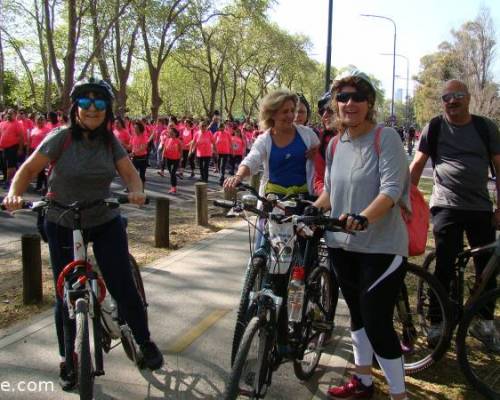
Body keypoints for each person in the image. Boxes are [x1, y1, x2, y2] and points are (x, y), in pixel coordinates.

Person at [1, 77, 163, 390]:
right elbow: (29, 170)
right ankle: (68, 359)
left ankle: (144, 342)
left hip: (103, 219)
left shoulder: (110, 141)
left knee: (121, 285)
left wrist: (137, 191)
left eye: (99, 103)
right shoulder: (60, 138)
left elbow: (129, 173)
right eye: (86, 102)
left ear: (107, 110)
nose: (92, 109)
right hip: (62, 219)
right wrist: (13, 194)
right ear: (76, 108)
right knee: (65, 296)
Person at [312, 71, 409, 400]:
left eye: (357, 97)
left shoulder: (386, 138)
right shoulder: (336, 144)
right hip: (341, 244)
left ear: (369, 104)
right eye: (342, 98)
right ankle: (363, 382)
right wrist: (313, 210)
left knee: (376, 320)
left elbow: (392, 189)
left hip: (381, 247)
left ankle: (399, 394)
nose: (349, 103)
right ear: (335, 105)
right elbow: (331, 192)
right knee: (356, 313)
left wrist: (363, 218)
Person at [224, 89, 319, 355]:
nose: (291, 116)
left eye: (293, 110)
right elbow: (252, 160)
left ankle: (291, 324)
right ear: (272, 114)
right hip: (272, 204)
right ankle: (260, 296)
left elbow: (321, 160)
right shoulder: (265, 139)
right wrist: (238, 177)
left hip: (301, 204)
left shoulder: (308, 136)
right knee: (264, 255)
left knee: (295, 270)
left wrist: (318, 162)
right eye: (284, 111)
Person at [409, 79, 500, 350]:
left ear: (468, 98)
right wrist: (404, 200)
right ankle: (437, 324)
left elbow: (498, 167)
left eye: (458, 95)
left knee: (487, 266)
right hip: (445, 205)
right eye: (447, 97)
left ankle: (482, 323)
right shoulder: (434, 127)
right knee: (445, 265)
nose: (452, 101)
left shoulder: (485, 128)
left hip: (480, 207)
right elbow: (416, 165)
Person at [0, 109, 25, 188]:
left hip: (13, 147)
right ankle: (8, 181)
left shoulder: (17, 124)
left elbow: (21, 137)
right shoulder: (3, 123)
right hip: (4, 148)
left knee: (11, 166)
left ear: (15, 114)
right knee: (6, 165)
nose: (9, 115)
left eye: (11, 113)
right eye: (8, 113)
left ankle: (9, 182)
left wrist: (20, 149)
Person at [161, 125, 183, 194]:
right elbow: (164, 148)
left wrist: (180, 159)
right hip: (168, 159)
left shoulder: (178, 141)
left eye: (172, 133)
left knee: (173, 173)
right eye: (170, 133)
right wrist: (162, 157)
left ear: (175, 133)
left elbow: (180, 151)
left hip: (176, 159)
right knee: (171, 174)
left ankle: (173, 188)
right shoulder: (167, 140)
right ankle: (173, 187)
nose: (170, 134)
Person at [130, 120, 149, 190]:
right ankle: (134, 189)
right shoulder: (133, 136)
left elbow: (143, 147)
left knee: (142, 175)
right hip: (134, 158)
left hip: (142, 158)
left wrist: (134, 153)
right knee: (133, 175)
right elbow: (131, 146)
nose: (134, 130)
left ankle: (142, 190)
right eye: (134, 128)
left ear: (140, 129)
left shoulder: (144, 137)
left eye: (136, 128)